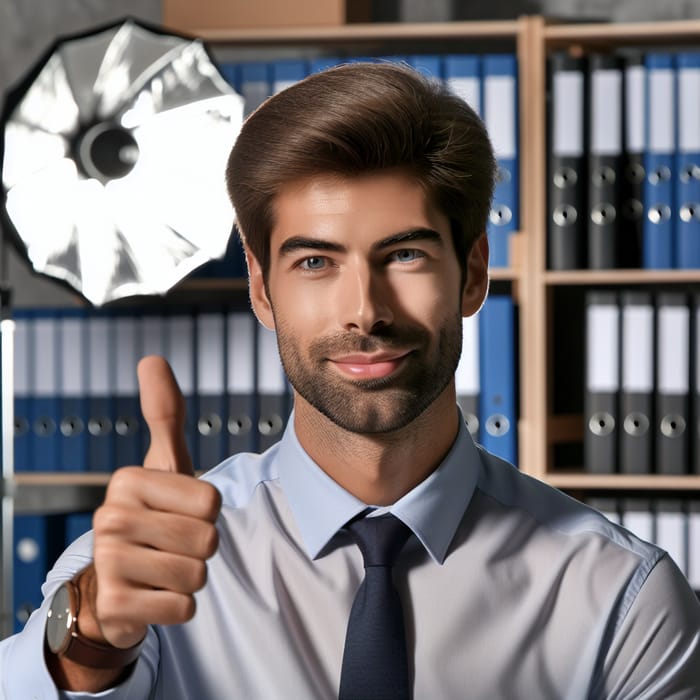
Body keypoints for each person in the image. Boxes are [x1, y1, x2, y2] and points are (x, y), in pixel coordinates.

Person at [1, 61, 699, 700]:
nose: (364, 310)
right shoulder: (143, 562)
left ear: (475, 271)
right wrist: (90, 637)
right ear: (261, 287)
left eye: (404, 255)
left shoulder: (622, 599)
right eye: (315, 262)